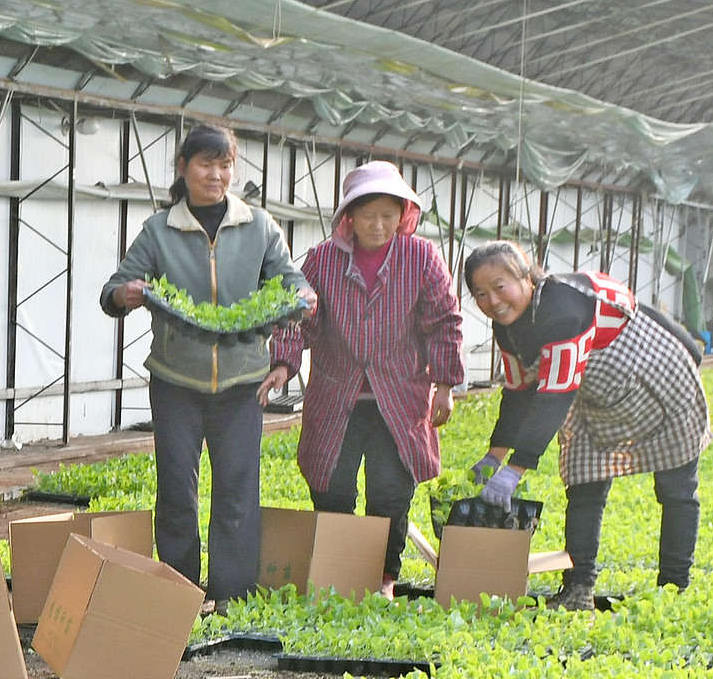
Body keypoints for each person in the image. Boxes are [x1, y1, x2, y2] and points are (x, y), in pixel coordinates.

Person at [98, 126, 301, 602]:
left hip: (243, 383)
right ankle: (179, 590)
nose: (216, 175)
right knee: (175, 488)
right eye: (206, 164)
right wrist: (125, 294)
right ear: (183, 168)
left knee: (237, 489)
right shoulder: (159, 230)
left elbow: (290, 280)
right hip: (176, 382)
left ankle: (231, 593)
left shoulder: (259, 227)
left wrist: (303, 296)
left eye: (225, 164)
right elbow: (114, 288)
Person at [458, 242, 711, 605]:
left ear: (527, 277)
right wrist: (494, 457)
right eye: (480, 293)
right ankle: (578, 589)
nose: (493, 301)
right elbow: (519, 393)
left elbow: (554, 396)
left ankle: (674, 590)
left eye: (500, 286)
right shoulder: (507, 329)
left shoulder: (562, 310)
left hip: (658, 380)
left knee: (676, 488)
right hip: (593, 393)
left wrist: (516, 469)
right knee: (583, 483)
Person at [267, 161, 462, 579]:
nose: (378, 225)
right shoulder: (323, 259)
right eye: (368, 215)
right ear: (349, 217)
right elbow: (297, 316)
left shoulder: (421, 257)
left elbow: (444, 320)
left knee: (390, 491)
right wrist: (284, 362)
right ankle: (338, 571)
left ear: (403, 215)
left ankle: (383, 575)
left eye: (388, 215)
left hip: (401, 396)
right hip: (337, 394)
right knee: (330, 484)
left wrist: (445, 385)